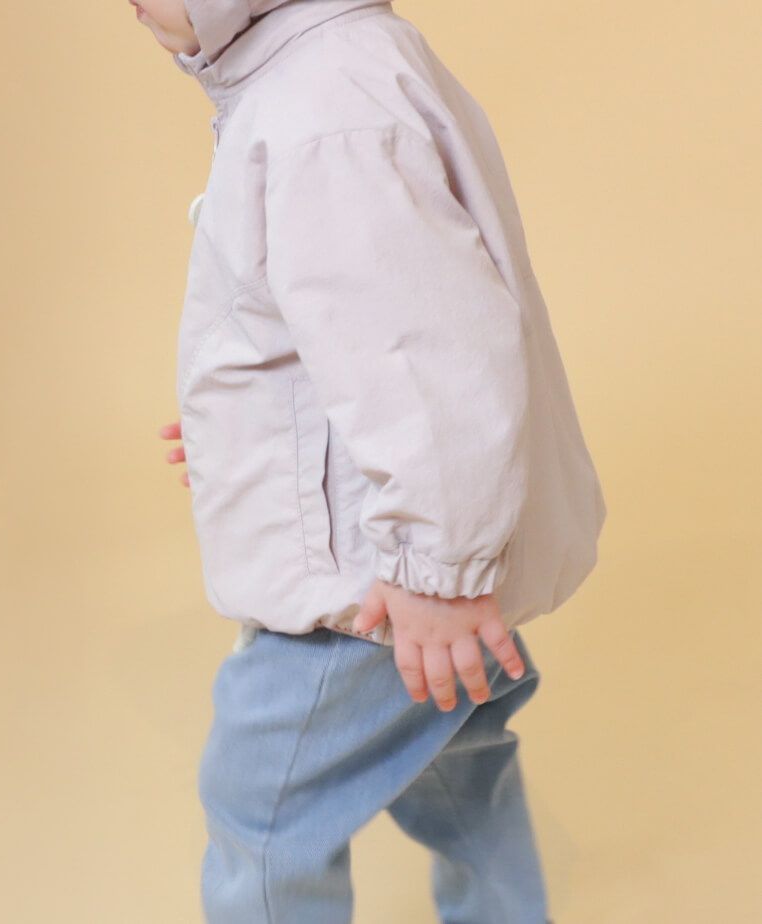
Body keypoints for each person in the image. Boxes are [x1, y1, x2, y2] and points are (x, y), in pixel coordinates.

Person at [138, 1, 606, 920]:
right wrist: (247, 432)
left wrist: (439, 570)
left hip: (378, 587)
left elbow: (426, 356)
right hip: (404, 554)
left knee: (261, 812)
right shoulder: (326, 73)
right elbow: (346, 321)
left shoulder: (324, 106)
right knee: (455, 773)